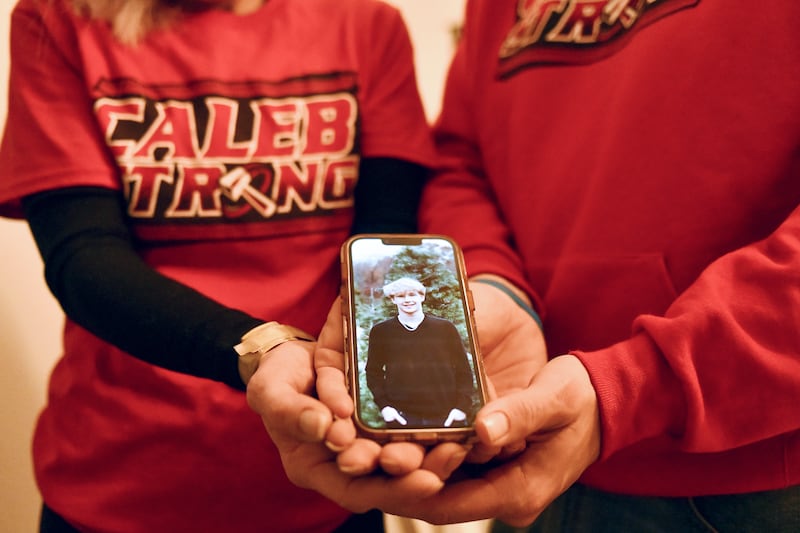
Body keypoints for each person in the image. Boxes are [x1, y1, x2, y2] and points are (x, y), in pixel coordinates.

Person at [251, 0, 800, 531]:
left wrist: (639, 385)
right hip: (526, 432)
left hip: (750, 474)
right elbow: (463, 158)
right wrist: (495, 286)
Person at [0, 0, 438, 530]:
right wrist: (263, 347)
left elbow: (384, 247)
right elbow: (84, 260)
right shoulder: (58, 20)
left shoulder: (366, 24)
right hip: (121, 487)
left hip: (327, 480)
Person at [366, 277, 475, 429]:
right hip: (401, 417)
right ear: (393, 299)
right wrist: (385, 407)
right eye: (401, 296)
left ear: (421, 297)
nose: (407, 300)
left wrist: (461, 408)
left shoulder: (445, 328)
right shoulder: (381, 332)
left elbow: (463, 369)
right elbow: (373, 372)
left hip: (447, 416)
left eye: (412, 294)